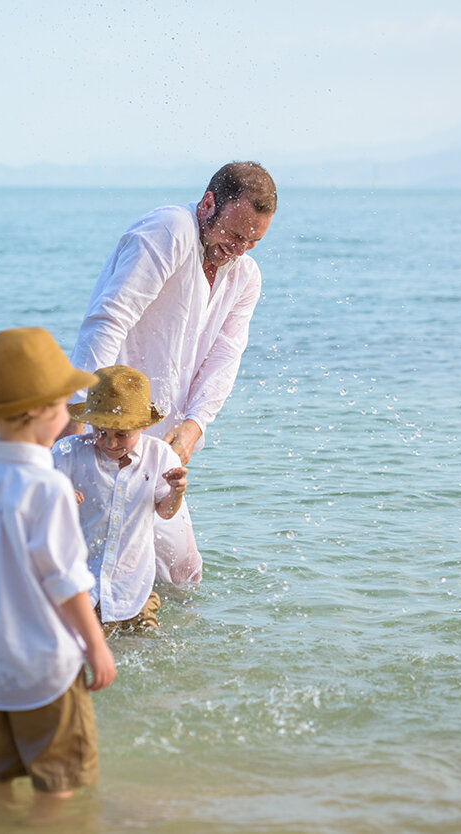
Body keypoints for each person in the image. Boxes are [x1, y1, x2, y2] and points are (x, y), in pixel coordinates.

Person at [0, 327, 116, 812]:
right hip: (45, 670)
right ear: (40, 411)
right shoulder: (45, 485)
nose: (70, 412)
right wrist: (96, 646)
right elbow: (65, 580)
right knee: (57, 788)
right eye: (64, 403)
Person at [67, 161, 277, 586]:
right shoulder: (171, 230)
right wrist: (80, 417)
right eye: (235, 235)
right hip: (100, 423)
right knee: (80, 562)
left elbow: (225, 358)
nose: (238, 249)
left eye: (252, 241)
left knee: (181, 572)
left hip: (158, 437)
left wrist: (194, 426)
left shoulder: (246, 277)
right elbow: (109, 319)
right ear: (207, 204)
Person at [53, 365, 187, 634]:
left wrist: (177, 491)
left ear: (143, 425)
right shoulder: (68, 453)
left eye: (122, 435)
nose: (109, 443)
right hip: (79, 586)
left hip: (133, 589)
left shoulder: (160, 457)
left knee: (150, 651)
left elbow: (165, 511)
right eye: (100, 432)